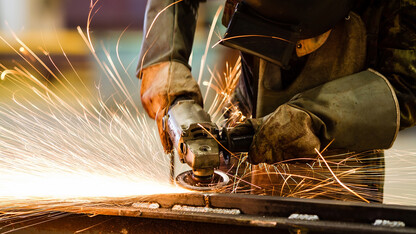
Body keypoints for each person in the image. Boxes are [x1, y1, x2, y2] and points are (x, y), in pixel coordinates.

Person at [137, 0, 416, 199]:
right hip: (247, 105)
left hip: (339, 169)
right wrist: (164, 57)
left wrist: (315, 118)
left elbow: (408, 85)